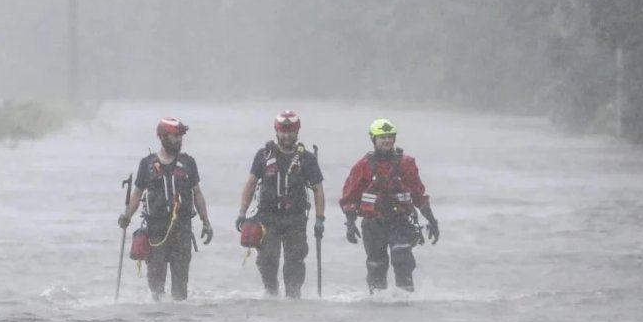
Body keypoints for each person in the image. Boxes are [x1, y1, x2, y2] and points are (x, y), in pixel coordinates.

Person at [118, 116, 214, 301]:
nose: (179, 140)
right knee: (156, 290)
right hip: (156, 234)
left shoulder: (188, 163)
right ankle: (158, 317)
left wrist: (206, 222)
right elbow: (137, 193)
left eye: (181, 136)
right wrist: (127, 216)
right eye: (175, 136)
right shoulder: (147, 164)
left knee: (180, 291)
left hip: (182, 232)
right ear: (162, 137)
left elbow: (197, 193)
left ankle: (179, 317)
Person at [339, 118, 439, 293]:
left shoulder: (406, 164)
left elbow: (418, 194)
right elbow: (350, 197)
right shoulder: (362, 166)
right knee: (376, 266)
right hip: (373, 224)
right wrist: (350, 224)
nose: (387, 140)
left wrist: (432, 220)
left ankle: (406, 300)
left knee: (402, 260)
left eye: (390, 137)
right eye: (382, 137)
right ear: (374, 139)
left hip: (400, 221)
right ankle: (377, 302)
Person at [236, 110, 325, 298]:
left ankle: (293, 299)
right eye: (282, 131)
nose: (286, 135)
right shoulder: (263, 155)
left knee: (295, 262)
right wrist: (242, 212)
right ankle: (271, 296)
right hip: (267, 218)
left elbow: (318, 190)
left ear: (297, 131)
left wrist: (320, 219)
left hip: (296, 220)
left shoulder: (307, 159)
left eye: (290, 131)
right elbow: (250, 184)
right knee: (267, 260)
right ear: (276, 131)